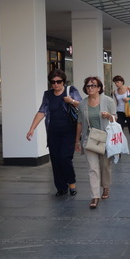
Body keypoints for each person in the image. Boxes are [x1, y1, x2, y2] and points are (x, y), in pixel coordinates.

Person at [26, 69, 82, 197]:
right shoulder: (48, 95)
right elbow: (42, 111)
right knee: (56, 160)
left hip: (69, 131)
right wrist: (32, 128)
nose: (56, 84)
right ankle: (61, 187)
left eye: (58, 81)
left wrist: (71, 101)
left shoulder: (71, 90)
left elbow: (82, 105)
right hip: (53, 132)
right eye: (53, 82)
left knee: (65, 158)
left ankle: (71, 184)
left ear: (63, 81)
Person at [74, 76, 115, 209]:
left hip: (105, 137)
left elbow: (115, 117)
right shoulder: (82, 104)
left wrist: (108, 116)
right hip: (89, 138)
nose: (90, 88)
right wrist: (77, 141)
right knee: (92, 168)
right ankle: (94, 196)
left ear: (99, 88)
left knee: (104, 166)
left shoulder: (108, 100)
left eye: (93, 85)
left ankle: (106, 186)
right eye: (88, 86)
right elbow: (80, 123)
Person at [111, 75, 130, 155]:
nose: (116, 84)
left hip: (129, 112)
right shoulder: (115, 92)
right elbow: (117, 102)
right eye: (115, 82)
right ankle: (118, 150)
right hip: (120, 112)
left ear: (121, 82)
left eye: (118, 82)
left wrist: (128, 98)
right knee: (119, 130)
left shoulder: (128, 89)